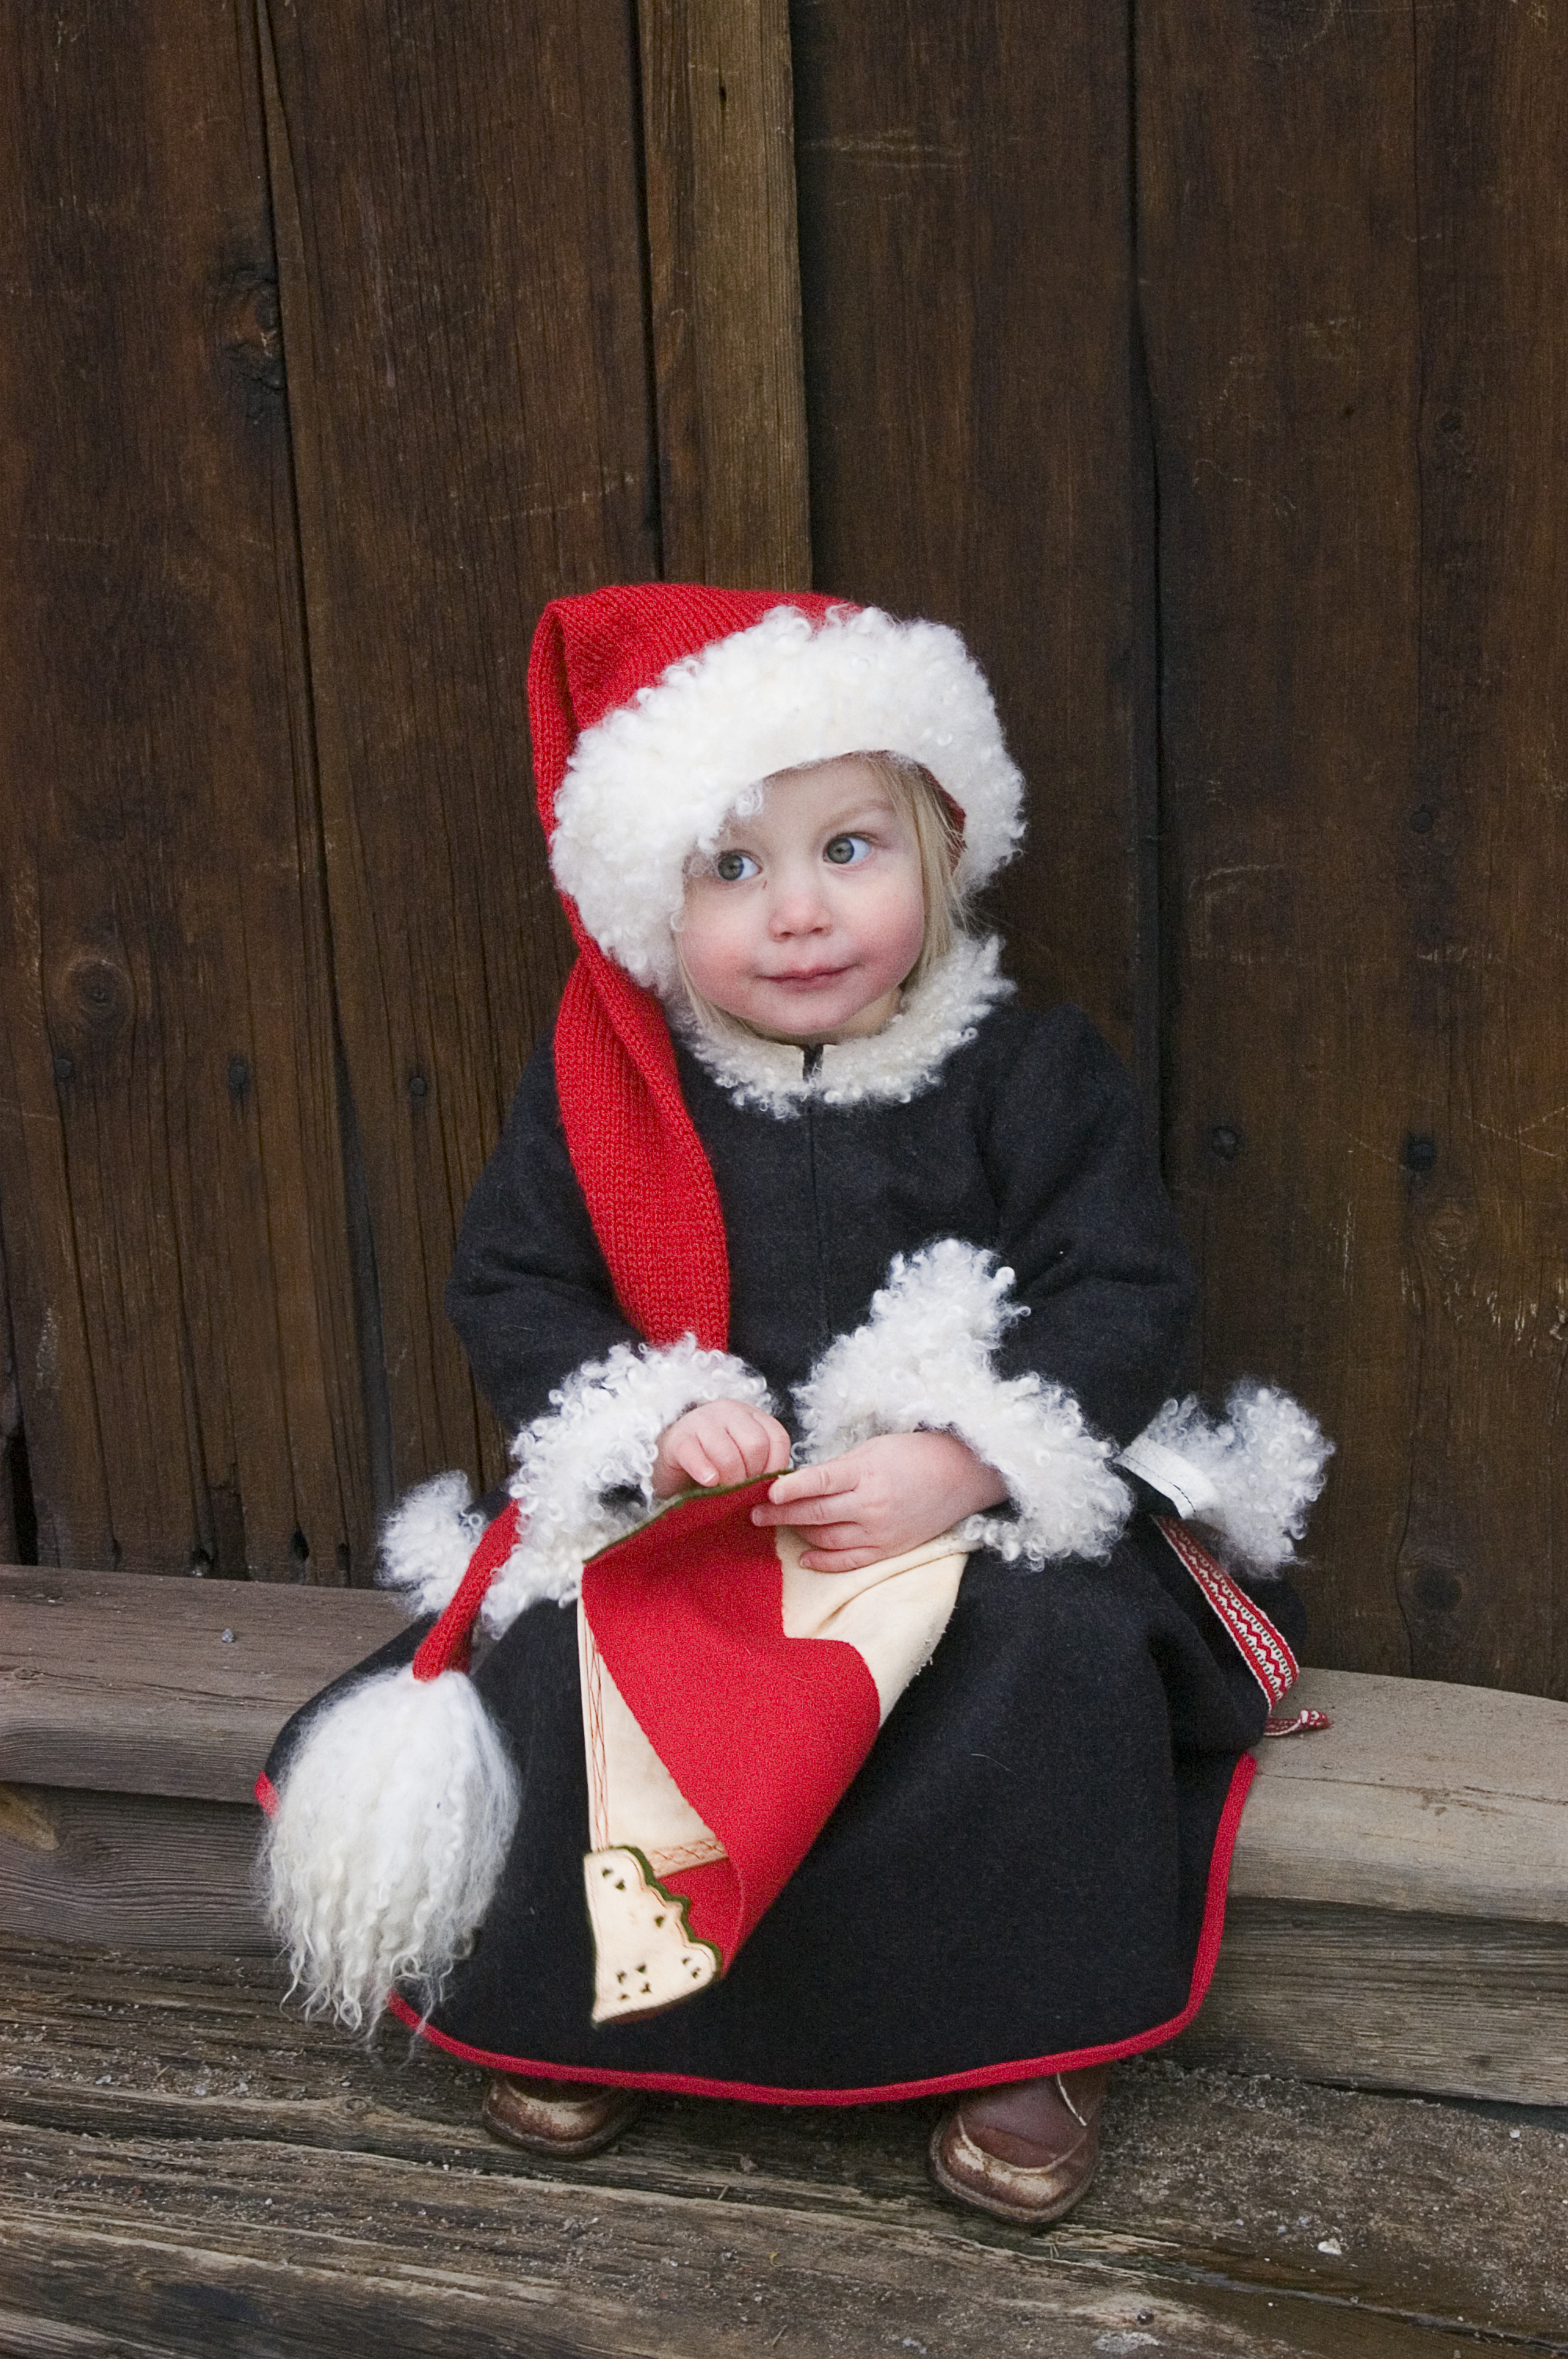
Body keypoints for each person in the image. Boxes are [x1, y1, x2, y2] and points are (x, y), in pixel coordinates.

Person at [261, 584, 1330, 2227]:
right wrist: (656, 1419)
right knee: (569, 1660)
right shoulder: (614, 1096)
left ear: (941, 847)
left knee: (1046, 1664)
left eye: (849, 848)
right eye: (733, 868)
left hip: (958, 1523)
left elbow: (1122, 1288)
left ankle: (1023, 2032)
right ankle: (589, 2003)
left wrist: (965, 1459)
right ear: (652, 901)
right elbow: (518, 1285)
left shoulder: (1031, 1072)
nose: (801, 913)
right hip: (708, 1522)